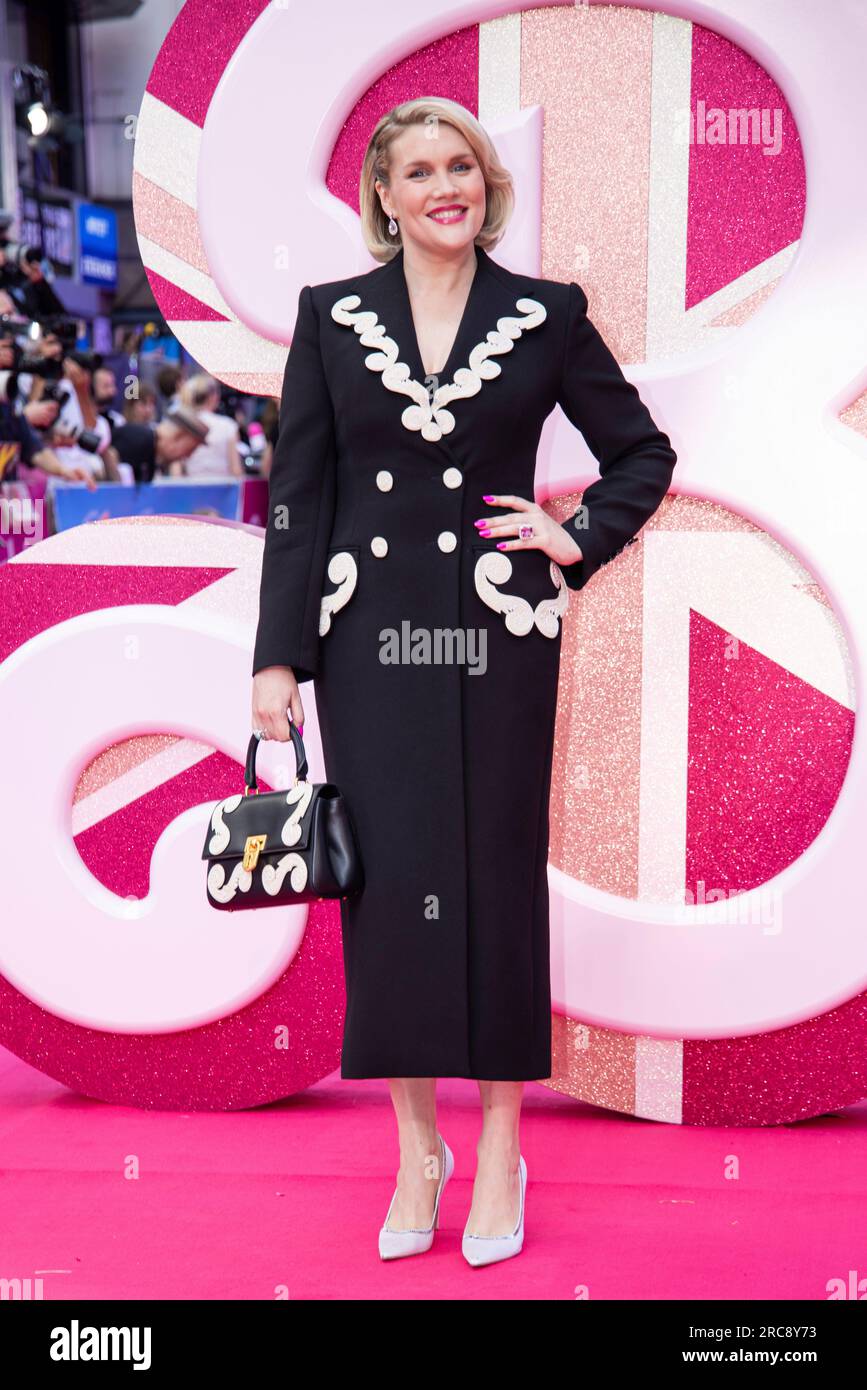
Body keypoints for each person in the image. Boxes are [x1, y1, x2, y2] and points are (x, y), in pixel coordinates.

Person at [250, 97, 677, 1266]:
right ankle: (413, 1150)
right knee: (386, 891)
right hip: (368, 642)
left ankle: (497, 1148)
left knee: (489, 880)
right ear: (383, 197)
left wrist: (574, 532)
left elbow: (642, 451)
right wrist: (276, 659)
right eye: (422, 170)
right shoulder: (330, 319)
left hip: (496, 637)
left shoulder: (545, 316)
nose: (449, 185)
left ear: (486, 185)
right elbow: (301, 496)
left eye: (466, 167)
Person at [111, 407, 209, 483]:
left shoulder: (151, 451)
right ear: (178, 436)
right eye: (189, 450)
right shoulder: (139, 441)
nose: (188, 456)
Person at [177, 374, 244, 478]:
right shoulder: (228, 426)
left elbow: (177, 471)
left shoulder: (183, 424)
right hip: (222, 491)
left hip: (191, 489)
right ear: (213, 397)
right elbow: (236, 470)